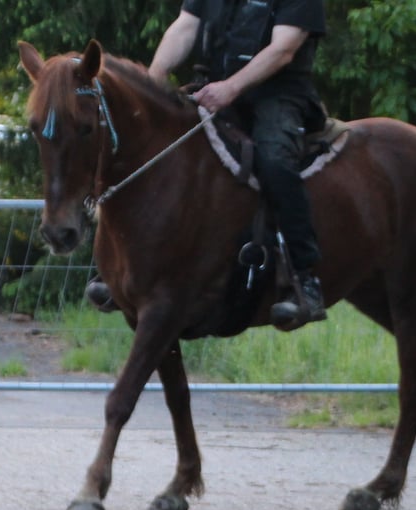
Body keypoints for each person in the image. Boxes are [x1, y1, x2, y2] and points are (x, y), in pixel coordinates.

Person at [87, 0, 327, 329]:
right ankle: (123, 268)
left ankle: (303, 278)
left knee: (276, 164)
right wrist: (154, 78)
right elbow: (185, 26)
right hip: (212, 88)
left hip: (277, 96)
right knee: (152, 148)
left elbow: (283, 50)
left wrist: (231, 88)